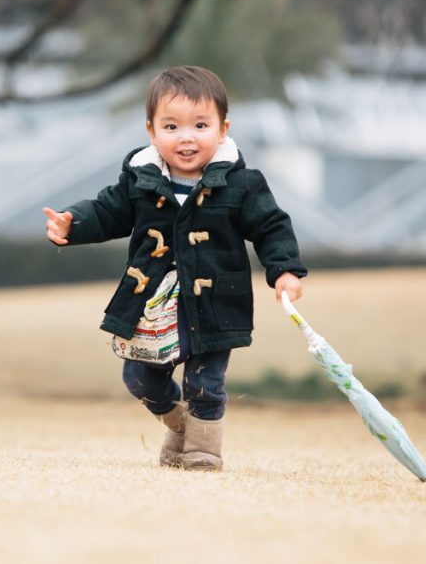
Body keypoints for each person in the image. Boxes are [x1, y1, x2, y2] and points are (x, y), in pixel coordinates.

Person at [43, 65, 306, 471]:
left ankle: (203, 452)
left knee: (205, 382)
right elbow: (107, 211)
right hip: (151, 302)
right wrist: (72, 223)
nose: (186, 137)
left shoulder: (241, 183)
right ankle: (179, 427)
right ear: (151, 131)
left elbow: (271, 226)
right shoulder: (141, 178)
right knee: (139, 378)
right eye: (171, 126)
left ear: (222, 129)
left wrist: (285, 269)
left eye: (200, 125)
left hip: (216, 301)